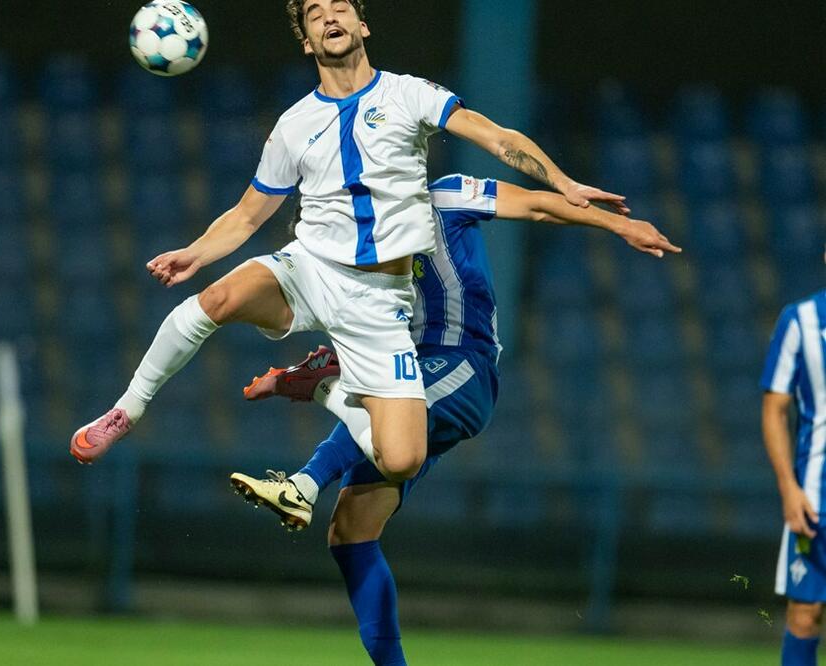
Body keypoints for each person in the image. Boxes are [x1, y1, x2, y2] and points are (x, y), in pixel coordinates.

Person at [69, 0, 645, 484]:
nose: (328, 15)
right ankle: (127, 409)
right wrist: (197, 251)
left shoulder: (409, 95)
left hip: (382, 302)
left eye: (339, 5)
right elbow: (247, 216)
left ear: (362, 25)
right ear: (308, 42)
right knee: (216, 302)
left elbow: (493, 134)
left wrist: (562, 182)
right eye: (314, 13)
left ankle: (324, 387)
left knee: (401, 460)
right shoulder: (293, 125)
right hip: (310, 267)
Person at [229, 173, 681, 666]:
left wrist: (616, 226)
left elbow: (533, 205)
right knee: (351, 532)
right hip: (405, 365)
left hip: (464, 363)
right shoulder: (352, 244)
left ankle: (304, 481)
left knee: (392, 399)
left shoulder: (445, 193)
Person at [761, 260, 826, 666]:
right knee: (804, 614)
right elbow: (774, 408)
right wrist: (788, 487)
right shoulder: (800, 320)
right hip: (815, 497)